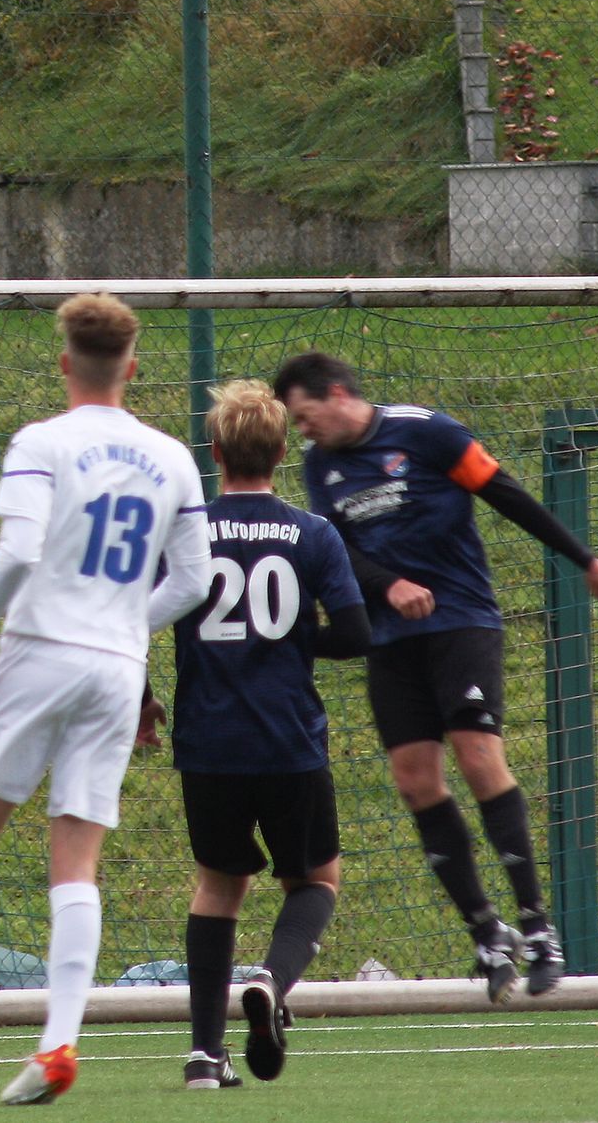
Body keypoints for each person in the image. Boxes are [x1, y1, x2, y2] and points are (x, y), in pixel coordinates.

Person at [0, 293, 211, 1106]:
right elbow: (193, 581)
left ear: (63, 364)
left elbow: (21, 549)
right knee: (77, 855)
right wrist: (127, 618)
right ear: (131, 367)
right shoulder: (173, 458)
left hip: (41, 651)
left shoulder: (42, 442)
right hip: (117, 666)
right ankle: (59, 1043)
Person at [274, 351, 598, 1000]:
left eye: (305, 415)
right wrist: (391, 585)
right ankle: (486, 934)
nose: (304, 430)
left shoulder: (428, 431)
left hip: (462, 623)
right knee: (414, 781)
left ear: (337, 394)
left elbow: (504, 491)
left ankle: (538, 926)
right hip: (391, 640)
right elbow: (342, 552)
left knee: (477, 755)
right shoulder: (320, 467)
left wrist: (585, 560)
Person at [166, 379, 370, 1089]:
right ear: (283, 452)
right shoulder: (312, 534)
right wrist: (288, 641)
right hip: (286, 736)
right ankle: (271, 981)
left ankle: (201, 1053)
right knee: (314, 878)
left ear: (214, 450)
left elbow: (137, 614)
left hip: (207, 738)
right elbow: (355, 632)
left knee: (218, 884)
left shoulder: (187, 530)